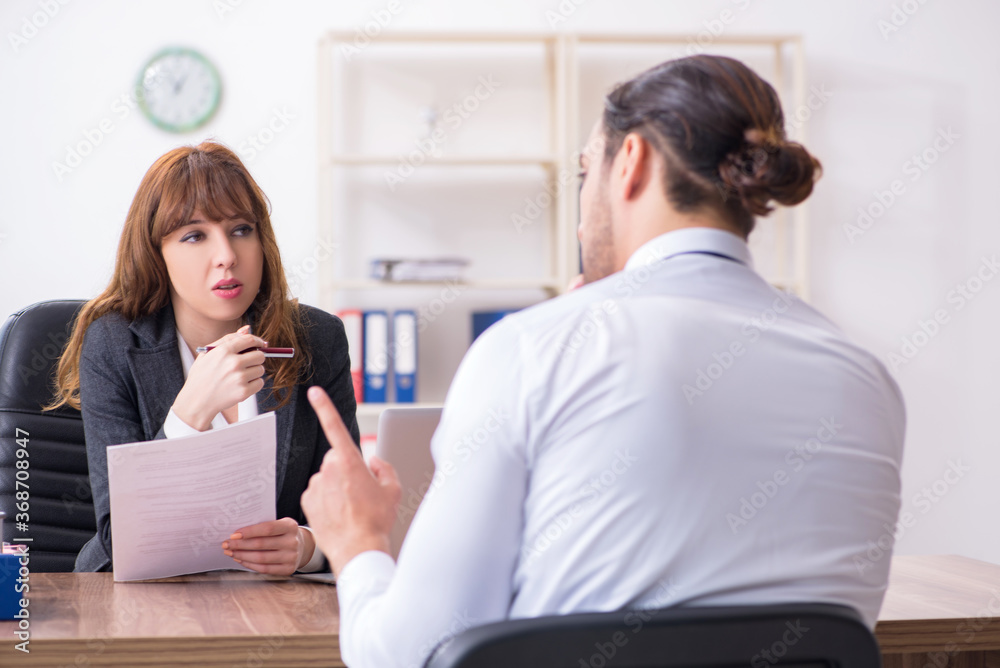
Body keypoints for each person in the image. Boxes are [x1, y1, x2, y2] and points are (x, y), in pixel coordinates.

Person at [299, 53, 906, 668]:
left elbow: (408, 656)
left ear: (631, 161)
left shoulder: (530, 349)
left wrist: (357, 541)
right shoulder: (864, 377)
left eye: (585, 171)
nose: (581, 213)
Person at [49, 141, 359, 575]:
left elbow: (352, 510)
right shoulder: (113, 345)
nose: (227, 256)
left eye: (241, 229)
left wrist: (309, 547)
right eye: (194, 236)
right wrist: (189, 413)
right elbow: (119, 540)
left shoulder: (318, 339)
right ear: (156, 252)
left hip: (275, 604)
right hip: (147, 601)